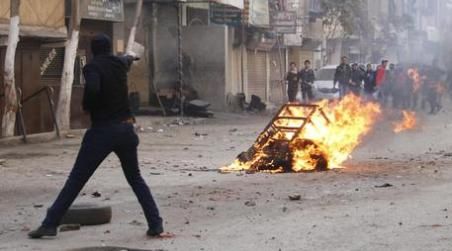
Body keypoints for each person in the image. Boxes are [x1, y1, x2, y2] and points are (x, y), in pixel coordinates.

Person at [28, 34, 168, 239]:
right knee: (136, 178)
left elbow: (93, 88)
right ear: (109, 48)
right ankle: (155, 224)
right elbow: (128, 59)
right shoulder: (119, 64)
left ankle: (50, 224)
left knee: (76, 179)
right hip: (126, 129)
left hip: (103, 131)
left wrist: (87, 105)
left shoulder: (93, 67)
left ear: (93, 51)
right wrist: (132, 57)